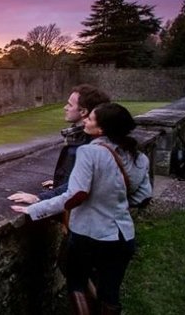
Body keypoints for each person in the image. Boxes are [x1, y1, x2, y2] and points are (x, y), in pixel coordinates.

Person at [11, 103, 152, 314]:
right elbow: (144, 197)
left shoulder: (89, 152)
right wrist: (111, 202)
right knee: (110, 293)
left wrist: (36, 209)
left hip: (89, 235)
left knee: (76, 281)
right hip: (123, 236)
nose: (85, 120)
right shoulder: (139, 157)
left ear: (101, 129)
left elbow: (76, 195)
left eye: (91, 119)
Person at [8, 84, 111, 205]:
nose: (65, 107)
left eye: (70, 105)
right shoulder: (78, 136)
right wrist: (60, 182)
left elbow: (79, 185)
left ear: (83, 111)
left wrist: (40, 198)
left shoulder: (90, 145)